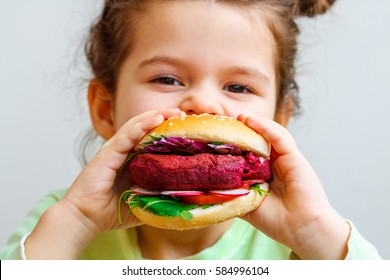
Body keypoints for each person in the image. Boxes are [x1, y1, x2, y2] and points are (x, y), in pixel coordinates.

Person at [0, 0, 381, 260]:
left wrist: (315, 234)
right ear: (104, 108)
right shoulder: (58, 223)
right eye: (166, 78)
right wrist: (77, 222)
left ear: (279, 121)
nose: (203, 104)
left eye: (238, 87)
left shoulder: (301, 246)